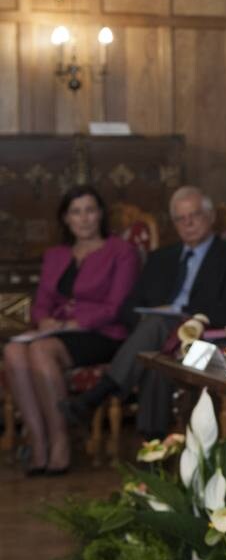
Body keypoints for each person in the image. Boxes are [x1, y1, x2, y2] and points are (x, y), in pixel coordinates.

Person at [64, 186, 226, 439]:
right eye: (180, 218)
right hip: (162, 341)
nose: (188, 224)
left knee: (158, 329)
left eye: (194, 215)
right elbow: (128, 309)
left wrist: (179, 313)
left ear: (210, 217)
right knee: (157, 353)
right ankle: (152, 441)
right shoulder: (161, 258)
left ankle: (102, 394)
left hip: (206, 338)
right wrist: (149, 318)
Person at [2, 186, 140, 474]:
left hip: (104, 333)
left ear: (100, 214)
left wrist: (72, 323)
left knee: (40, 350)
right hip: (57, 333)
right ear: (66, 218)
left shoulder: (121, 251)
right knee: (13, 351)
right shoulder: (55, 255)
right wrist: (45, 321)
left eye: (90, 210)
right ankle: (39, 442)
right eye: (76, 212)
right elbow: (41, 303)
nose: (84, 218)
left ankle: (61, 440)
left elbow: (116, 305)